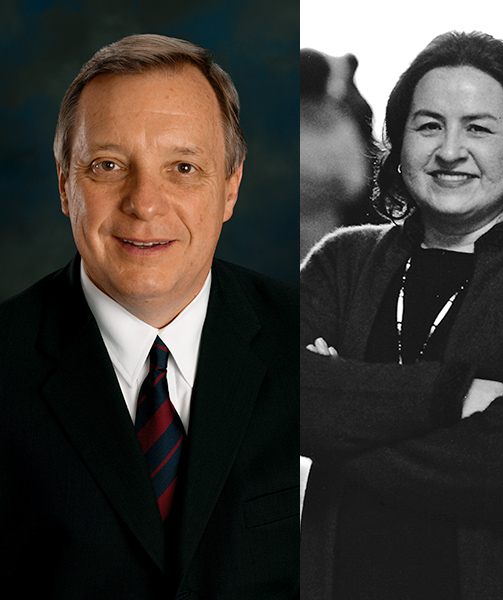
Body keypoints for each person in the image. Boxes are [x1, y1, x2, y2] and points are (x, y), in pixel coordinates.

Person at [299, 31, 503, 600]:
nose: (449, 150)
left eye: (479, 128)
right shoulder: (344, 261)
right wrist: (450, 398)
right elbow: (268, 394)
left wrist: (337, 421)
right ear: (399, 142)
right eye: (429, 124)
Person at [0, 34, 299, 598]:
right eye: (108, 165)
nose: (144, 202)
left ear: (231, 188)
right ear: (66, 184)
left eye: (183, 167)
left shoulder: (315, 343)